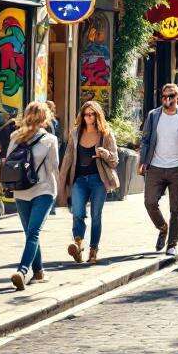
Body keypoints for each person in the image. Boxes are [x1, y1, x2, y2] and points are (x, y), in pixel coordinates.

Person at [138, 83, 178, 258]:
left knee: (175, 209)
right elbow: (146, 139)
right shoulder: (153, 115)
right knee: (150, 202)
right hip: (155, 166)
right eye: (164, 96)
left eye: (171, 96)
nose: (167, 99)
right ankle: (163, 227)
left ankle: (172, 244)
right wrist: (142, 161)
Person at [4, 102, 60, 291]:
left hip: (20, 190)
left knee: (31, 233)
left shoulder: (15, 136)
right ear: (45, 118)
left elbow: (9, 161)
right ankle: (27, 272)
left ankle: (33, 272)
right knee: (33, 233)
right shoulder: (50, 139)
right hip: (44, 189)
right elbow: (53, 167)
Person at [58, 101, 120, 265]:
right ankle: (78, 245)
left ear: (97, 116)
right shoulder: (75, 133)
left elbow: (115, 160)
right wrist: (62, 178)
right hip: (79, 180)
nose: (89, 117)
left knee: (96, 215)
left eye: (92, 114)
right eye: (86, 114)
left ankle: (93, 250)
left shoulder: (105, 134)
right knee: (77, 213)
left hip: (99, 180)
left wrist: (105, 153)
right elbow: (68, 157)